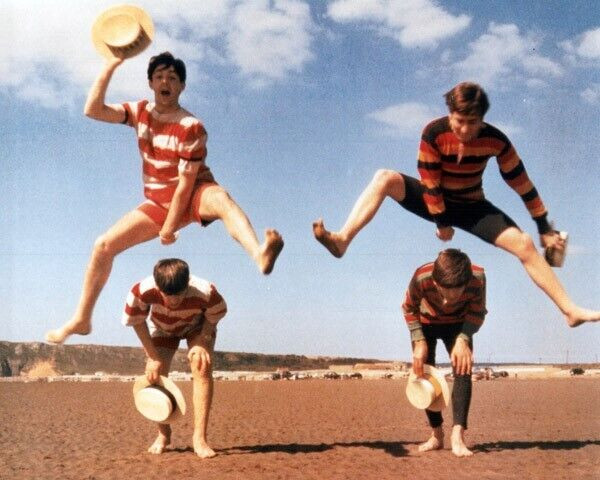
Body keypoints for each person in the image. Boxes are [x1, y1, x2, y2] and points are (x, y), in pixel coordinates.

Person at [313, 81, 599, 328]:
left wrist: (543, 226)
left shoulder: (496, 141)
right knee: (384, 178)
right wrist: (441, 221)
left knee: (524, 244)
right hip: (433, 198)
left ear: (482, 120)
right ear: (450, 114)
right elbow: (429, 180)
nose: (463, 129)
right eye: (458, 121)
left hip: (472, 206)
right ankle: (342, 239)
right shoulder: (434, 133)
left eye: (472, 123)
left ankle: (569, 310)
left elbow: (521, 183)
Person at [46, 52, 283, 344]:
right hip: (158, 202)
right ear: (150, 83)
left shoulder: (190, 126)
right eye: (159, 76)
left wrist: (169, 227)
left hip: (195, 193)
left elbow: (185, 184)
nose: (165, 81)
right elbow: (93, 110)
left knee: (222, 199)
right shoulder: (139, 112)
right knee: (103, 246)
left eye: (172, 77)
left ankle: (258, 253)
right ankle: (82, 318)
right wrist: (111, 65)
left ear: (182, 86)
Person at [123, 258, 226, 458]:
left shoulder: (206, 291)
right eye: (166, 295)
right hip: (162, 328)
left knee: (201, 365)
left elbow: (217, 313)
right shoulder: (141, 291)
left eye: (178, 295)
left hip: (197, 327)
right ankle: (163, 434)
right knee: (156, 375)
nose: (173, 301)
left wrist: (202, 341)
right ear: (157, 286)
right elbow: (136, 321)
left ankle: (200, 438)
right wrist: (152, 357)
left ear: (187, 284)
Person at [403, 249, 485, 457]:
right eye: (442, 294)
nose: (447, 303)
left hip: (459, 324)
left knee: (463, 369)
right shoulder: (422, 276)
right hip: (426, 323)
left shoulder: (477, 279)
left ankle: (458, 435)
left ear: (466, 283)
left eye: (455, 296)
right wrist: (418, 340)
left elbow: (477, 311)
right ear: (435, 282)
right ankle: (436, 434)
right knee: (424, 376)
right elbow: (409, 307)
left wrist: (464, 338)